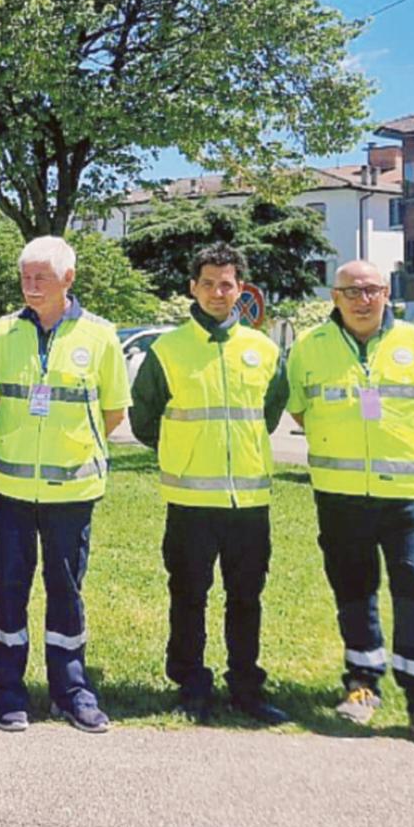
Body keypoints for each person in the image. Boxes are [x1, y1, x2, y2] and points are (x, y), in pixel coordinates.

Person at [287, 260, 414, 753]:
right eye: (351, 291)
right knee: (354, 589)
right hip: (340, 494)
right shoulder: (309, 347)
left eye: (371, 290)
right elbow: (300, 410)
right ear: (334, 297)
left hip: (405, 496)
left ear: (387, 293)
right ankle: (361, 682)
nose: (362, 300)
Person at [129, 244, 289, 726]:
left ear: (241, 289)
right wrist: (183, 452)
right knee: (188, 595)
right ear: (192, 288)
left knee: (246, 596)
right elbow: (144, 418)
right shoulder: (167, 350)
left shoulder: (264, 350)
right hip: (190, 500)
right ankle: (191, 683)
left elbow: (270, 412)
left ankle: (246, 686)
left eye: (227, 284)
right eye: (208, 283)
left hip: (248, 501)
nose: (218, 292)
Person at [0, 235, 130, 734]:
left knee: (66, 592)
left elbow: (112, 412)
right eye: (25, 277)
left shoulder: (101, 336)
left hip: (72, 493)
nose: (31, 285)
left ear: (69, 278)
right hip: (12, 492)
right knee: (8, 591)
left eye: (41, 277)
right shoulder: (2, 334)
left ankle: (71, 691)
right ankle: (8, 692)